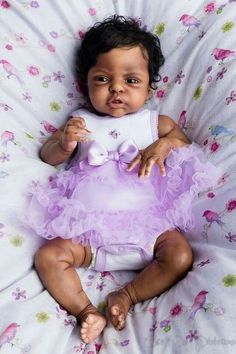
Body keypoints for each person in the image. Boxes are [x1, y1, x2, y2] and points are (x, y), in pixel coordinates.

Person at [25, 16, 218, 344]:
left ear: (149, 87)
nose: (116, 88)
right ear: (85, 82)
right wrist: (65, 144)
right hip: (87, 236)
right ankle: (86, 310)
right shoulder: (79, 120)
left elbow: (185, 144)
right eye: (102, 78)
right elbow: (48, 156)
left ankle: (125, 296)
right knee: (48, 257)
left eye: (131, 80)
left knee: (180, 255)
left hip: (150, 230)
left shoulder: (154, 122)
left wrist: (165, 144)